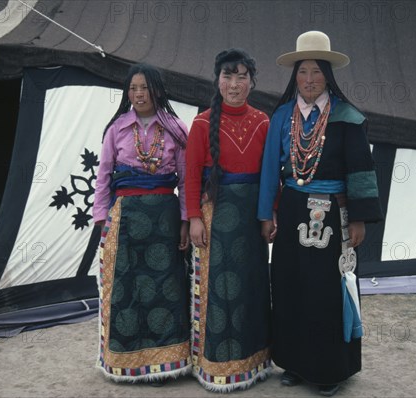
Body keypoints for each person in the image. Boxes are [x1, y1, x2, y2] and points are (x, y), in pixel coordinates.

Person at [258, 31, 383, 396]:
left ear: (328, 75)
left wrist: (358, 218)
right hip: (294, 208)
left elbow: (361, 170)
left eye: (315, 71)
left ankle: (329, 367)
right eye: (302, 72)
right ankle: (295, 361)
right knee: (290, 285)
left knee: (327, 291)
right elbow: (270, 170)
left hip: (335, 215)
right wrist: (267, 213)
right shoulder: (282, 116)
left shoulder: (348, 118)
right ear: (293, 76)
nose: (308, 79)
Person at [93, 63, 191, 385]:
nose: (139, 94)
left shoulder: (176, 129)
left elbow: (187, 179)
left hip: (164, 220)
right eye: (133, 88)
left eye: (145, 88)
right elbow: (103, 177)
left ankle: (168, 363)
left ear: (158, 90)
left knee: (165, 287)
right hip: (126, 220)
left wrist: (185, 220)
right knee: (128, 288)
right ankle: (126, 361)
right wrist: (101, 220)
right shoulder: (116, 129)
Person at [185, 49, 272, 392]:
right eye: (227, 76)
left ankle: (253, 362)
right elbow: (191, 176)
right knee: (219, 291)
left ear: (252, 82)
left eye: (241, 77)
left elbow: (269, 178)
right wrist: (194, 218)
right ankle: (217, 365)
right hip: (215, 219)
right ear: (217, 80)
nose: (233, 84)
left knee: (251, 286)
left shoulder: (264, 122)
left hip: (251, 221)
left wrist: (269, 214)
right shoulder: (202, 123)